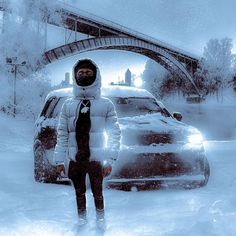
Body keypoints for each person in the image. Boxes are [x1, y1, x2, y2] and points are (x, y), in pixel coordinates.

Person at [53, 58, 121, 226]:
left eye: (88, 73)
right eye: (81, 73)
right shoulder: (68, 106)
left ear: (96, 76)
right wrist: (60, 160)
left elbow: (114, 133)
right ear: (75, 77)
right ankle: (81, 219)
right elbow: (62, 134)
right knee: (79, 192)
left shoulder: (106, 105)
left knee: (98, 192)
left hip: (97, 160)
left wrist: (110, 160)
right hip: (76, 159)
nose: (84, 75)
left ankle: (100, 219)